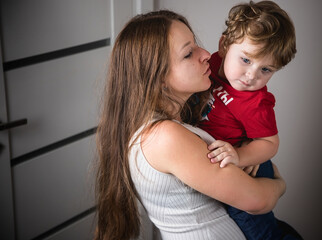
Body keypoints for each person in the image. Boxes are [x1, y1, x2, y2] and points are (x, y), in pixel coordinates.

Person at [95, 9, 287, 240]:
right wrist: (279, 184)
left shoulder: (170, 124)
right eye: (188, 53)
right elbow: (257, 200)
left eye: (196, 44)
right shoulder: (165, 136)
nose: (206, 54)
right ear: (158, 77)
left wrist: (245, 146)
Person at [198, 1, 299, 239]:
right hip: (220, 158)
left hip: (248, 166)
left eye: (266, 70)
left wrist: (241, 155)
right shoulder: (209, 65)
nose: (252, 75)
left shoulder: (256, 102)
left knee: (257, 232)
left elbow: (270, 143)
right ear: (224, 46)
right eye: (246, 60)